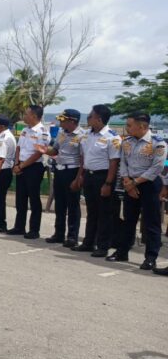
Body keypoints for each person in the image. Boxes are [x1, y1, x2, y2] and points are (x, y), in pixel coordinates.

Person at [106, 113, 166, 270]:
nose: (127, 128)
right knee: (128, 219)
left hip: (149, 185)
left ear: (142, 126)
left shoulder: (158, 143)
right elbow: (123, 163)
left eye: (130, 125)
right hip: (130, 183)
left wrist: (135, 183)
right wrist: (127, 181)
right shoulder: (127, 142)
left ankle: (151, 257)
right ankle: (122, 251)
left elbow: (157, 167)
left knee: (151, 222)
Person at [72, 104, 121, 257]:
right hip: (88, 175)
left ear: (99, 119)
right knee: (92, 211)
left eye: (90, 116)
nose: (88, 119)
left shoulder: (112, 137)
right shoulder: (87, 135)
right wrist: (80, 175)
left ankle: (103, 245)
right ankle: (88, 242)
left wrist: (107, 183)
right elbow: (83, 157)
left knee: (104, 213)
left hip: (103, 177)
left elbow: (114, 162)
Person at [35, 109, 84, 247]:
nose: (60, 122)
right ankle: (59, 233)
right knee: (60, 204)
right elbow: (55, 150)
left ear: (72, 121)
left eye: (63, 120)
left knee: (73, 205)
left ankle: (72, 236)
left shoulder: (82, 135)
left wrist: (79, 177)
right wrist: (44, 150)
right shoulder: (62, 134)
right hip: (60, 170)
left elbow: (83, 159)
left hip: (73, 171)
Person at [7, 105, 49, 239]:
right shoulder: (25, 130)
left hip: (34, 168)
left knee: (34, 199)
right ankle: (19, 226)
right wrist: (17, 164)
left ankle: (34, 229)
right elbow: (19, 148)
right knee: (20, 198)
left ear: (34, 116)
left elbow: (38, 154)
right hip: (21, 166)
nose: (24, 116)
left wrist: (22, 165)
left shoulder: (42, 132)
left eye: (26, 114)